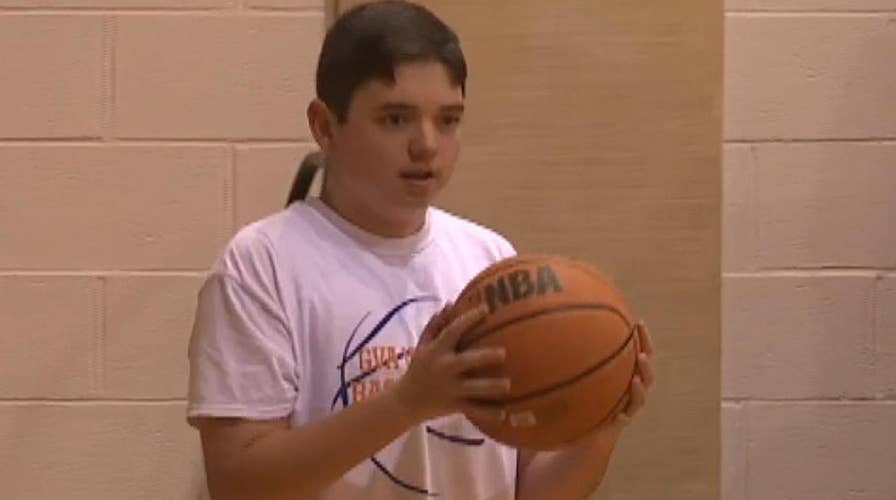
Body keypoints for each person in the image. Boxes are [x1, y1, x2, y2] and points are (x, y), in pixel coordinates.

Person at [186, 2, 655, 499]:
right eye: (395, 119)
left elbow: (530, 491)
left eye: (448, 120)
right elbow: (238, 484)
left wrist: (601, 426)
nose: (427, 144)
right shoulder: (259, 266)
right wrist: (406, 404)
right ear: (325, 126)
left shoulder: (490, 258)